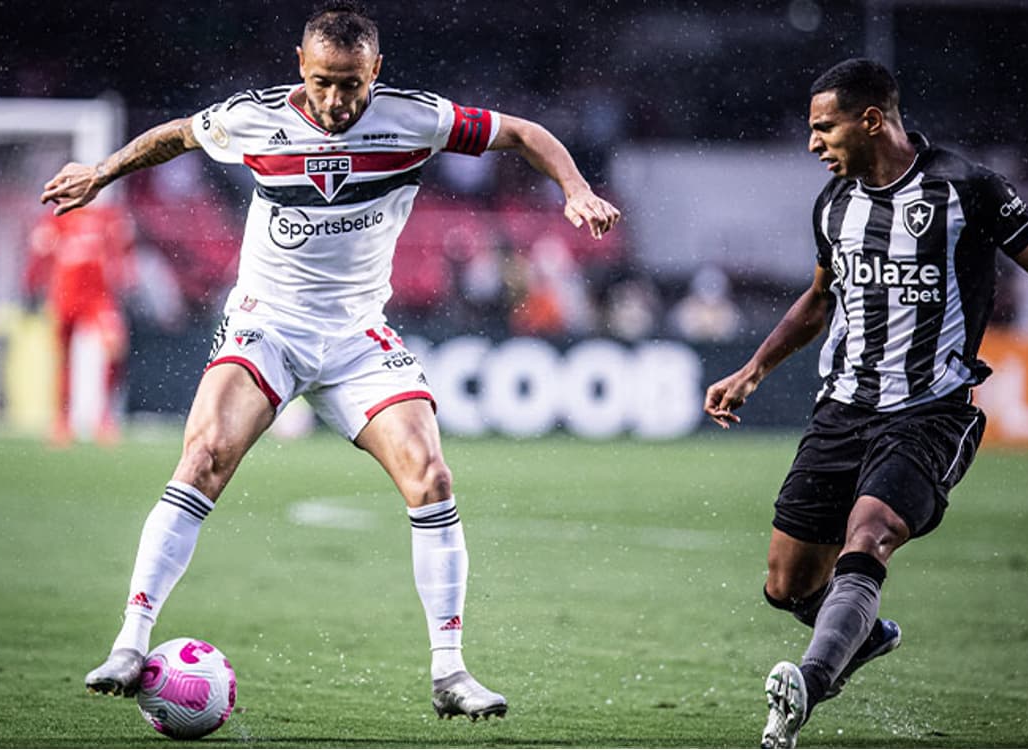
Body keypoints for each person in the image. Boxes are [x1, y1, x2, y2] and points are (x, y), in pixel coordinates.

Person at [40, 1, 619, 721]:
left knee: (431, 476)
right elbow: (175, 137)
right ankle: (131, 642)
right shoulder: (254, 117)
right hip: (267, 326)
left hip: (355, 337)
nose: (337, 100)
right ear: (301, 67)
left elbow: (524, 134)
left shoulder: (417, 118)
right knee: (204, 457)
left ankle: (450, 672)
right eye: (322, 82)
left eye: (351, 83)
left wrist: (575, 189)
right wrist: (102, 171)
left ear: (376, 70)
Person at [702, 58, 1028, 748]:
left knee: (869, 533)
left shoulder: (968, 189)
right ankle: (864, 635)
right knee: (786, 585)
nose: (814, 143)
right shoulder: (834, 203)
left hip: (929, 412)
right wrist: (753, 369)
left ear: (871, 119)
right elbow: (821, 298)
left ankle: (805, 689)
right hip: (842, 409)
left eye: (825, 128)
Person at [25, 204, 134, 446]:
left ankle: (104, 418)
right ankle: (62, 420)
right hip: (64, 296)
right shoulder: (58, 214)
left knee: (114, 351)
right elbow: (40, 252)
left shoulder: (110, 216)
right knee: (63, 359)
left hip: (99, 296)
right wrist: (31, 286)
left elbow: (123, 253)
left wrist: (127, 280)